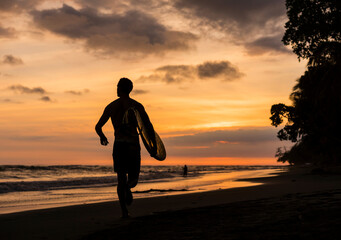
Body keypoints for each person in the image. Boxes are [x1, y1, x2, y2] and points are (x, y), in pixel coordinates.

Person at [95, 77, 156, 218]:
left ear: (121, 88)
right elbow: (148, 126)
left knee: (120, 179)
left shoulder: (111, 106)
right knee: (133, 178)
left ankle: (124, 212)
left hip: (119, 145)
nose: (116, 89)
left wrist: (102, 137)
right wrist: (152, 145)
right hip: (133, 145)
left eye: (117, 87)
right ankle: (128, 188)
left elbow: (98, 127)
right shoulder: (137, 106)